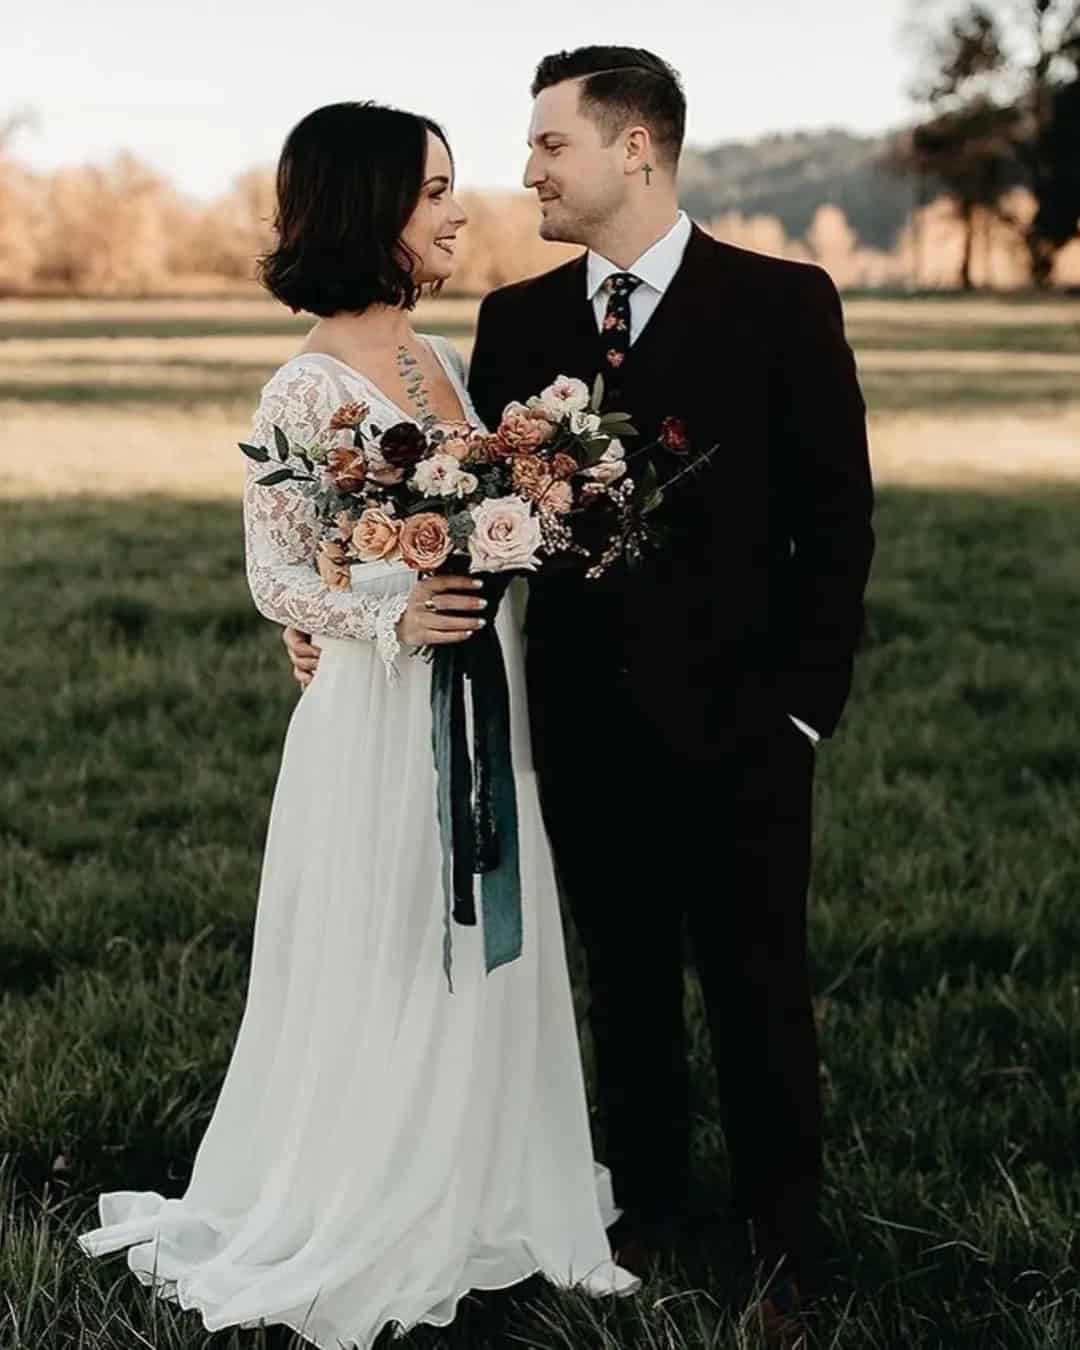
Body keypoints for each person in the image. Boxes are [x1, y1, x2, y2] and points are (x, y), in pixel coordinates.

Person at [285, 48, 875, 1341]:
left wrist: (799, 711)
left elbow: (837, 527)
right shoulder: (515, 324)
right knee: (623, 985)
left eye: (549, 144)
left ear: (635, 153)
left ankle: (785, 1248)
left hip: (745, 732)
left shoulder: (782, 302)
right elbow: (459, 516)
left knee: (756, 983)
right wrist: (352, 612)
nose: (528, 169)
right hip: (575, 728)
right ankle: (649, 1206)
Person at [76, 101, 637, 1350]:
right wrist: (382, 619)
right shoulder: (303, 384)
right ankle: (366, 1192)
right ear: (370, 206)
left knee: (483, 935)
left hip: (483, 705)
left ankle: (482, 1177)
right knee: (387, 945)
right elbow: (278, 575)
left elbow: (466, 521)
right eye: (435, 187)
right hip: (378, 728)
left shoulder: (443, 364)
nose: (459, 206)